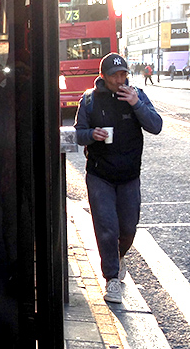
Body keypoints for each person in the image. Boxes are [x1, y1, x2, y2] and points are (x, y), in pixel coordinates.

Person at [74, 52, 162, 304]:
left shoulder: (137, 97)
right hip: (100, 174)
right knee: (106, 228)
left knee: (127, 228)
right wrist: (93, 134)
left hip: (129, 175)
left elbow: (155, 126)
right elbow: (78, 134)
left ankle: (119, 256)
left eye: (123, 73)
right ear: (103, 76)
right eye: (115, 75)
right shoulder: (90, 100)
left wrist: (136, 103)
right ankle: (111, 278)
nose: (120, 79)